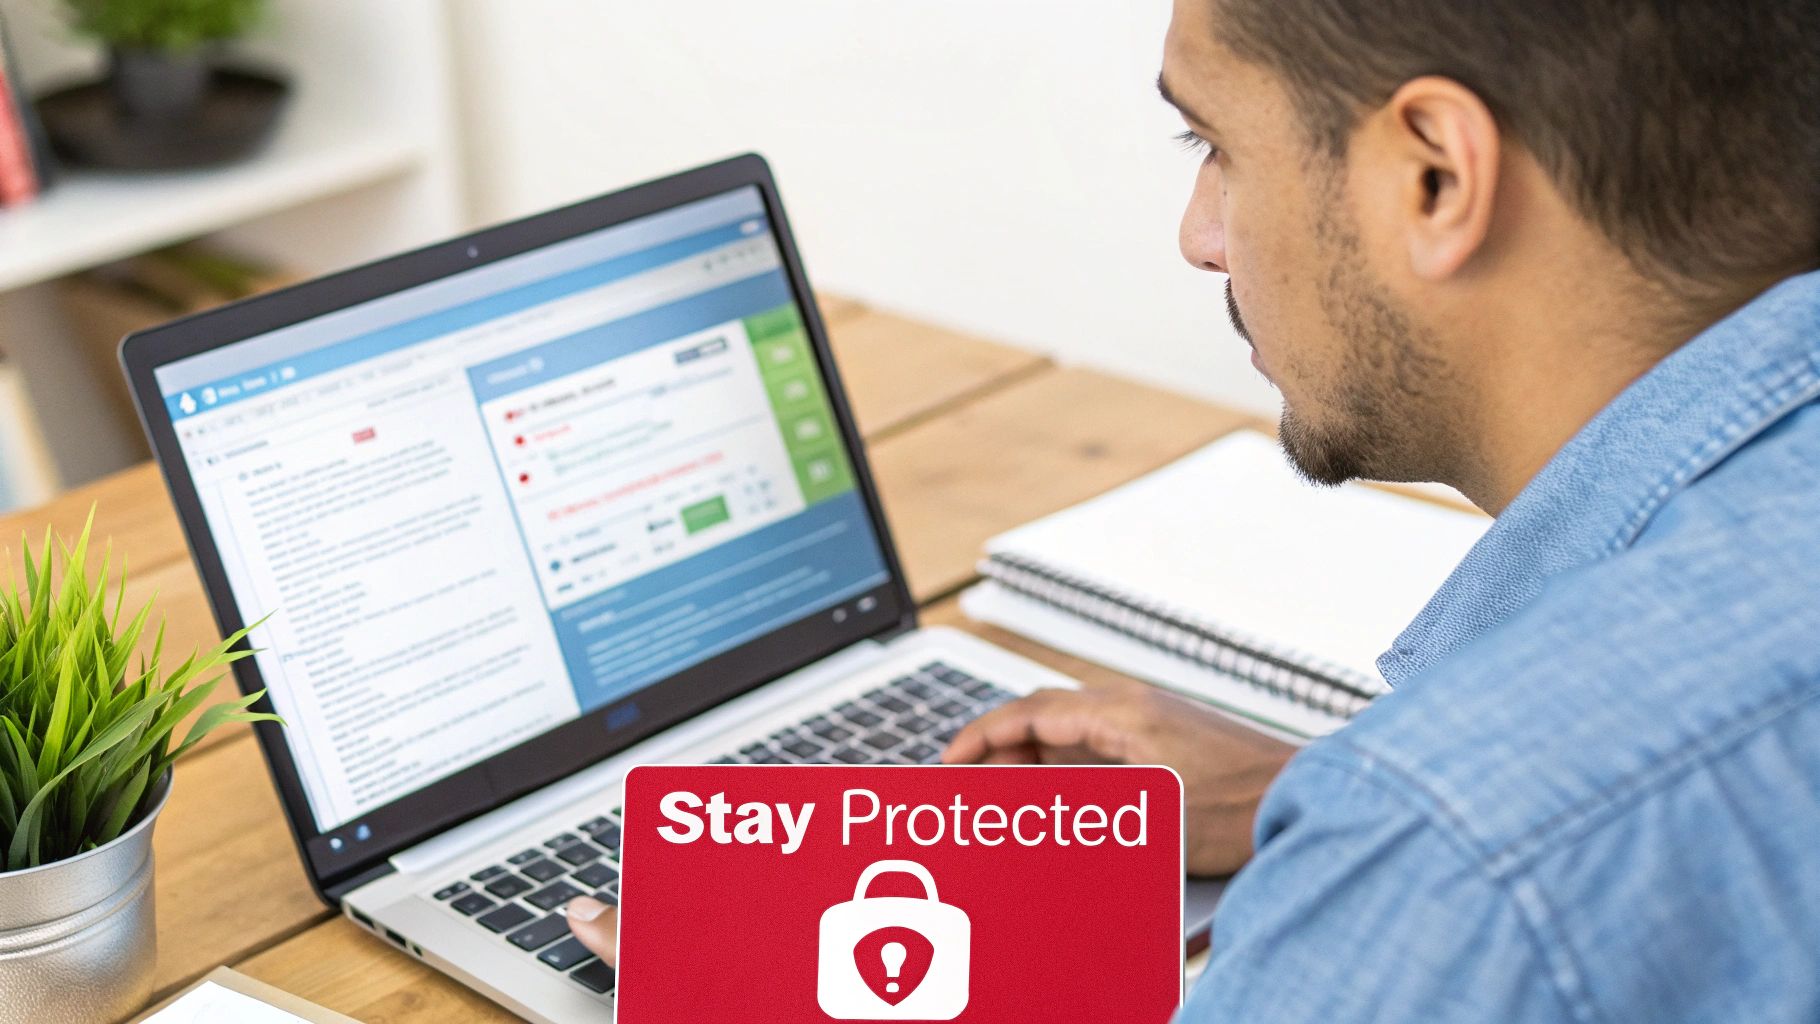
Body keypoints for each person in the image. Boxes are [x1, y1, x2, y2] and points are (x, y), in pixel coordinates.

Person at [570, 1, 1820, 1018]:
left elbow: (1514, 855)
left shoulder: (1449, 858)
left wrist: (1382, 846)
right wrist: (1308, 789)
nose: (1199, 235)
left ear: (1435, 176)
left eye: (1212, 143)